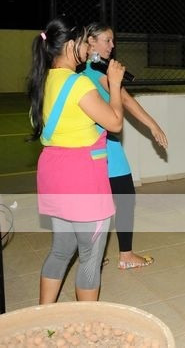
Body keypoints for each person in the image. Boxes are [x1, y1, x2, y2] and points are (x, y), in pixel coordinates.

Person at [28, 16, 125, 303]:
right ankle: (87, 322)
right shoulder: (78, 84)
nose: (87, 48)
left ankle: (44, 315)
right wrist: (115, 85)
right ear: (71, 45)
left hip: (53, 175)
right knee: (90, 258)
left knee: (61, 250)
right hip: (83, 180)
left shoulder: (43, 80)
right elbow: (115, 123)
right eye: (83, 43)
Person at [83, 22, 167, 269]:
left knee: (99, 202)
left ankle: (93, 256)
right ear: (91, 41)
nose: (112, 45)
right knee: (125, 198)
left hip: (94, 144)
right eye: (107, 40)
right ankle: (125, 255)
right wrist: (153, 126)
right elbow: (126, 101)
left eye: (113, 40)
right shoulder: (97, 71)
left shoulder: (86, 70)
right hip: (104, 144)